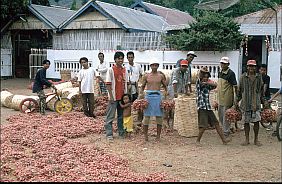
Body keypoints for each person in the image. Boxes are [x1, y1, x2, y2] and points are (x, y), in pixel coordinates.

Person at [195, 67, 230, 146]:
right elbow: (206, 82)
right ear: (201, 76)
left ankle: (224, 140)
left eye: (207, 77)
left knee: (216, 123)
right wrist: (204, 73)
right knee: (203, 126)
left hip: (207, 107)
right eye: (204, 77)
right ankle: (197, 141)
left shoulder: (207, 84)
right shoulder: (198, 82)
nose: (205, 78)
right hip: (202, 107)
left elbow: (215, 85)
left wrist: (208, 82)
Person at [235, 60, 264, 146]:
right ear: (247, 67)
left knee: (256, 122)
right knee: (246, 122)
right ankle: (247, 139)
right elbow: (239, 91)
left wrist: (264, 101)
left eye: (253, 66)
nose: (251, 68)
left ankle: (256, 139)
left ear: (255, 67)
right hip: (245, 103)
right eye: (250, 66)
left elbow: (260, 90)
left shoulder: (259, 77)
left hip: (256, 103)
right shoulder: (243, 77)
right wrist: (236, 101)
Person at [140, 58, 168, 142]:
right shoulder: (146, 75)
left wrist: (165, 96)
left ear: (158, 66)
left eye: (156, 65)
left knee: (159, 117)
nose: (154, 67)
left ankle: (158, 136)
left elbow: (165, 86)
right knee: (146, 117)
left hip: (158, 97)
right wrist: (141, 94)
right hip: (148, 97)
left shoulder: (160, 76)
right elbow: (142, 86)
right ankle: (146, 136)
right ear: (150, 66)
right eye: (153, 65)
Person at [104, 51, 129, 140]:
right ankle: (109, 134)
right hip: (114, 97)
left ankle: (121, 132)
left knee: (121, 116)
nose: (120, 60)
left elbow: (126, 83)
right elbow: (108, 84)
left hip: (122, 97)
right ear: (115, 59)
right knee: (110, 116)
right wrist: (111, 96)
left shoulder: (124, 70)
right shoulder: (111, 70)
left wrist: (126, 96)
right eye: (119, 58)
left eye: (122, 58)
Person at [217, 57, 238, 139]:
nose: (222, 65)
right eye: (222, 63)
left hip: (227, 97)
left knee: (226, 115)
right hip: (220, 97)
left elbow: (235, 86)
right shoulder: (220, 72)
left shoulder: (231, 74)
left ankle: (226, 131)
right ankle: (227, 128)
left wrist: (236, 99)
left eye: (224, 63)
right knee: (220, 115)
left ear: (228, 64)